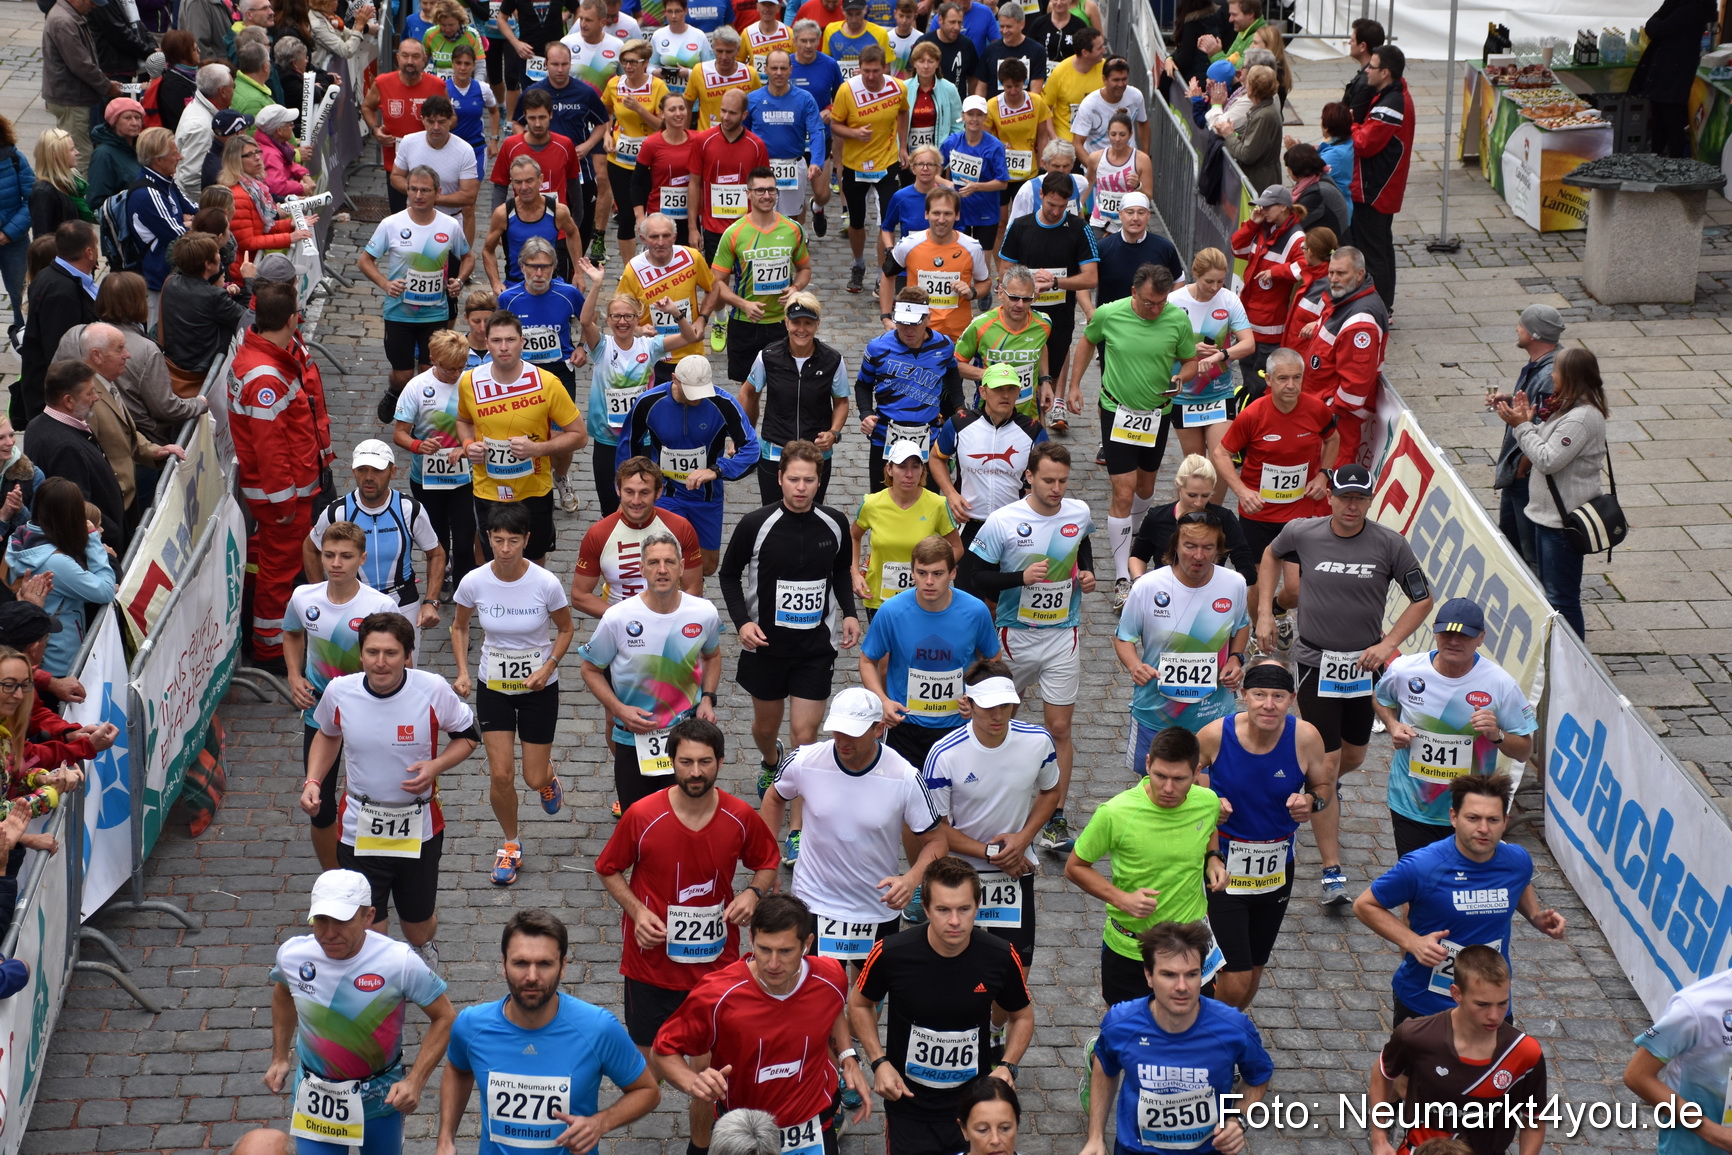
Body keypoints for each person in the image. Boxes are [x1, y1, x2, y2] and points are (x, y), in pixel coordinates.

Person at [595, 717, 781, 1151]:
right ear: (671, 762)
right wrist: (638, 911)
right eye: (685, 762)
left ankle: (699, 1148)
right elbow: (608, 869)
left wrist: (753, 894)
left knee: (708, 1073)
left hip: (716, 969)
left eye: (704, 762)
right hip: (650, 966)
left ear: (719, 762)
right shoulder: (643, 814)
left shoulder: (739, 817)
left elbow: (768, 862)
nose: (695, 772)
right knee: (647, 1075)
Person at [1256, 462, 1432, 905]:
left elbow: (1422, 597)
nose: (1351, 506)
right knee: (1329, 767)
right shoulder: (1304, 532)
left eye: (1360, 499)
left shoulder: (1390, 544)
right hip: (1316, 662)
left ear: (1370, 501)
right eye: (1344, 497)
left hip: (1363, 666)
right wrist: (1263, 611)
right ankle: (1332, 870)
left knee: (1352, 755)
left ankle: (1314, 789)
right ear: (1330, 497)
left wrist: (1389, 643)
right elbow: (1271, 553)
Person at [302, 613, 479, 967]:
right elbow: (327, 733)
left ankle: (424, 948)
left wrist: (435, 767)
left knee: (416, 928)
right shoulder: (341, 691)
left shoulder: (431, 689)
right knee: (371, 931)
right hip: (359, 827)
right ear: (361, 654)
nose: (380, 662)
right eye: (372, 652)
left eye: (391, 653)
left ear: (407, 655)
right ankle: (379, 987)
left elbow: (469, 736)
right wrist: (313, 780)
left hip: (419, 825)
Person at [652, 894, 872, 1155]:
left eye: (786, 951)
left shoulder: (831, 976)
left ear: (807, 943)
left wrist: (847, 1056)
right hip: (745, 1135)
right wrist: (693, 1083)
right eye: (764, 949)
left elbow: (834, 1009)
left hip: (812, 1127)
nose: (773, 963)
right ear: (751, 940)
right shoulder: (717, 994)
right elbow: (663, 1050)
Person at [437, 909, 662, 1154]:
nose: (532, 977)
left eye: (544, 964)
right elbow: (458, 1070)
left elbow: (647, 1091)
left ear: (563, 966)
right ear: (503, 964)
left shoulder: (598, 1028)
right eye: (520, 963)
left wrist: (601, 1122)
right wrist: (446, 1138)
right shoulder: (471, 1026)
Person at [849, 856, 1033, 1155]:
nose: (955, 921)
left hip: (975, 1108)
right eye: (943, 910)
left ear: (978, 904)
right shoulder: (892, 953)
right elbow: (859, 1004)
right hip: (909, 1105)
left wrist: (1007, 1066)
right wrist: (878, 1062)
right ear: (925, 909)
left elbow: (1022, 1015)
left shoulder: (999, 956)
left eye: (964, 909)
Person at [959, 441, 1093, 849]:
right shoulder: (1002, 521)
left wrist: (1085, 573)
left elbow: (1080, 544)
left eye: (1063, 482)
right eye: (1048, 480)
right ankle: (980, 799)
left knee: (1059, 728)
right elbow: (970, 578)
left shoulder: (1080, 512)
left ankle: (1055, 817)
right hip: (1012, 637)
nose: (1056, 489)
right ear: (1029, 477)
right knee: (991, 722)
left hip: (1061, 636)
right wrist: (1020, 579)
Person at [720, 441, 860, 827]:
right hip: (765, 647)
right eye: (794, 479)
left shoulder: (833, 523)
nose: (801, 487)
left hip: (815, 648)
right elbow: (728, 575)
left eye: (809, 480)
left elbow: (839, 574)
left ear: (819, 482)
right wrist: (742, 623)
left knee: (805, 735)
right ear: (780, 479)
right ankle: (769, 759)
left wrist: (849, 613)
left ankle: (797, 828)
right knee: (765, 728)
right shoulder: (755, 524)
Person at [266, 869, 455, 1154]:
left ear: (368, 917)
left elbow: (445, 1016)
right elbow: (283, 991)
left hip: (379, 1098)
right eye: (321, 920)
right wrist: (280, 1057)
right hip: (316, 1097)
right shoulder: (294, 955)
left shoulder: (398, 961)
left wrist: (415, 1080)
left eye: (341, 921)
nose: (329, 933)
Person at [1353, 772, 1567, 1025]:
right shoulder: (1423, 866)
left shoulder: (1517, 860)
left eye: (1493, 819)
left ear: (1505, 821)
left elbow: (1519, 881)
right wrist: (1413, 942)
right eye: (1473, 818)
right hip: (1426, 1004)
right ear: (1454, 817)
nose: (1483, 829)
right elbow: (1364, 905)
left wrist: (1534, 915)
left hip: (1492, 1006)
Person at [449, 500, 575, 886]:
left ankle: (549, 779)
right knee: (502, 774)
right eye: (498, 540)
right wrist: (463, 671)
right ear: (487, 538)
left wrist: (548, 666)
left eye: (513, 541)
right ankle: (510, 844)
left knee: (532, 776)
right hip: (494, 687)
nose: (504, 549)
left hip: (539, 688)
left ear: (526, 541)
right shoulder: (474, 581)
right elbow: (459, 626)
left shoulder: (545, 583)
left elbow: (567, 630)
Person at [761, 686, 947, 945]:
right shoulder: (805, 761)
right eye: (838, 730)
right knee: (818, 985)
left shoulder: (904, 776)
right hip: (814, 902)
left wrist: (911, 879)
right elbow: (774, 797)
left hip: (876, 908)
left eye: (854, 733)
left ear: (878, 729)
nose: (843, 740)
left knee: (867, 986)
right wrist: (767, 861)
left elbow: (937, 841)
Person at [1193, 660, 1325, 1011]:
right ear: (1242, 696)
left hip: (1277, 870)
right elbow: (1182, 776)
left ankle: (1224, 1035)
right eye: (1260, 695)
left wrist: (1311, 801)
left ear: (1292, 699)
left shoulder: (1305, 737)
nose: (1269, 704)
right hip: (1221, 866)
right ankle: (1201, 1037)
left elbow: (1324, 786)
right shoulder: (1215, 734)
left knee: (1252, 972)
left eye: (1278, 696)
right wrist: (1207, 799)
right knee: (1233, 977)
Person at [1066, 726, 1225, 1005]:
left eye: (1179, 779)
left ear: (1197, 772)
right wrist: (1123, 899)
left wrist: (1213, 857)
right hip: (1131, 949)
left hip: (1189, 948)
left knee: (1188, 1037)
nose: (1167, 788)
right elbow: (1075, 867)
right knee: (1127, 1039)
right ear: (1148, 763)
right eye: (1160, 775)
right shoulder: (1115, 813)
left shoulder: (1207, 802)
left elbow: (1209, 826)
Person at [1081, 921, 1269, 1155]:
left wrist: (1237, 1119)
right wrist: (1095, 1137)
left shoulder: (1233, 1028)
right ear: (1149, 976)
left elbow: (1258, 1076)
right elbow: (1105, 1066)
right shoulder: (1121, 1024)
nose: (1182, 987)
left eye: (1191, 974)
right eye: (1169, 975)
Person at [1065, 261, 1189, 609]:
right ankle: (1123, 577)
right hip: (1117, 411)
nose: (1155, 309)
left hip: (1156, 414)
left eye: (1160, 303)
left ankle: (1133, 541)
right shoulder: (1109, 314)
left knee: (1145, 489)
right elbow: (1087, 342)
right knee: (1123, 489)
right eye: (1149, 302)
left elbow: (1189, 360)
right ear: (1134, 292)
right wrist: (1074, 386)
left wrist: (1182, 379)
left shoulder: (1176, 319)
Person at [283, 522, 406, 871]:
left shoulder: (380, 606)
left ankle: (378, 867)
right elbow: (291, 634)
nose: (336, 563)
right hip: (319, 712)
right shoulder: (304, 597)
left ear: (362, 559)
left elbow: (400, 663)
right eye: (329, 555)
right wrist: (293, 675)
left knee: (377, 797)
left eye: (346, 556)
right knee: (319, 804)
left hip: (370, 714)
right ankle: (333, 878)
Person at [1376, 598, 1537, 859]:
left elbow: (1524, 751)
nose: (1453, 641)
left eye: (1464, 635)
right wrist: (1393, 724)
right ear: (1434, 631)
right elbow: (1382, 698)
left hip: (1471, 812)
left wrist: (1497, 735)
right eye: (1447, 633)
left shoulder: (1500, 684)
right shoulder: (1405, 670)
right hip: (1411, 804)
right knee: (1415, 886)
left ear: (1481, 638)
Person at [921, 657, 1056, 969]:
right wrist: (995, 852)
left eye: (1005, 706)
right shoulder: (944, 754)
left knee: (1016, 970)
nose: (998, 715)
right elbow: (935, 829)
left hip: (1015, 867)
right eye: (988, 707)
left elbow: (1051, 792)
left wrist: (1022, 840)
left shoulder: (1038, 742)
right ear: (968, 704)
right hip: (958, 874)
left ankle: (996, 1022)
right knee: (955, 967)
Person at [579, 529, 723, 815]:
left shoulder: (704, 612)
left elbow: (713, 654)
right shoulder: (618, 617)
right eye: (654, 562)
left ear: (682, 567)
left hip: (686, 737)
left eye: (670, 562)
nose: (662, 570)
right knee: (639, 822)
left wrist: (707, 698)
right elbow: (590, 669)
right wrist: (619, 709)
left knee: (687, 819)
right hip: (633, 737)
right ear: (642, 568)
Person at [1369, 945, 1550, 1155]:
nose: (1494, 1015)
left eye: (1502, 1003)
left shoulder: (1524, 1052)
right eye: (1482, 1004)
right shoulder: (1417, 1035)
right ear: (1457, 993)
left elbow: (1535, 1118)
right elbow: (1383, 1071)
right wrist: (1379, 1138)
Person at [228, 283, 323, 666]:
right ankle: (270, 648)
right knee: (279, 572)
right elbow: (270, 448)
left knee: (273, 564)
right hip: (283, 497)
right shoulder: (266, 378)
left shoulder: (261, 360)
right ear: (291, 318)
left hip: (282, 493)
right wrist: (284, 500)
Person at [1114, 508, 1249, 769]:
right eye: (1190, 546)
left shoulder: (1234, 584)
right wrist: (1134, 666)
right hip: (1156, 715)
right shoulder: (1148, 586)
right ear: (1175, 545)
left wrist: (1236, 657)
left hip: (1213, 716)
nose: (1198, 556)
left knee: (1211, 795)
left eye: (1208, 547)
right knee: (1151, 789)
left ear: (1219, 549)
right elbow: (1123, 638)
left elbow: (1241, 625)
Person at [456, 310, 589, 565]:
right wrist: (468, 444)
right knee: (491, 557)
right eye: (496, 341)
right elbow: (463, 421)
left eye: (510, 340)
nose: (503, 347)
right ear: (486, 343)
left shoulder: (547, 382)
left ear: (522, 342)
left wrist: (538, 450)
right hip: (488, 489)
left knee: (534, 559)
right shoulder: (469, 381)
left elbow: (580, 436)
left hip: (533, 490)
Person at [1495, 345, 1609, 641]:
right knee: (1549, 595)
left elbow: (1546, 460)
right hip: (1546, 517)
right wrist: (1526, 420)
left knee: (1562, 599)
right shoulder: (1565, 409)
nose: (1552, 375)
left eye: (1557, 370)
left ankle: (1575, 661)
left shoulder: (1581, 419)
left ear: (1569, 376)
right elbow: (1545, 443)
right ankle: (1555, 650)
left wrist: (1522, 427)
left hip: (1561, 525)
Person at [857, 528, 990, 776]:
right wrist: (883, 701)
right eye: (922, 573)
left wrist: (977, 699)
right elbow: (867, 661)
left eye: (938, 574)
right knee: (907, 803)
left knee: (955, 802)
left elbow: (991, 659)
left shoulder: (975, 611)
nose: (929, 581)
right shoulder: (891, 611)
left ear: (953, 573)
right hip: (907, 725)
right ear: (912, 573)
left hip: (958, 726)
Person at [616, 354, 761, 572]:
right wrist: (624, 492)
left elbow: (752, 449)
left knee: (707, 566)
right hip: (665, 494)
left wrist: (716, 470)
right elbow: (627, 447)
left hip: (706, 496)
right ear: (675, 379)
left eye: (702, 392)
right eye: (692, 393)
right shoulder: (648, 402)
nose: (697, 399)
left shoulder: (723, 404)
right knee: (666, 557)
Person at [1209, 347, 1336, 582]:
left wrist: (1323, 475)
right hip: (1258, 514)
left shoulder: (1317, 410)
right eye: (1283, 378)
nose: (1291, 385)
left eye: (1297, 377)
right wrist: (1242, 491)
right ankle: (1261, 618)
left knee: (1294, 590)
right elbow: (1221, 454)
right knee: (1256, 583)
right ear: (1268, 379)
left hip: (1299, 513)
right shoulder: (1253, 415)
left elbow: (1332, 438)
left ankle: (1278, 608)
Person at [305, 441, 447, 646]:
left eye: (377, 470)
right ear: (353, 471)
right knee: (352, 672)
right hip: (351, 601)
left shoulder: (410, 509)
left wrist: (430, 602)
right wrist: (320, 593)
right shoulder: (338, 511)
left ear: (393, 471)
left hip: (402, 603)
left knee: (402, 673)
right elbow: (310, 547)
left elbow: (436, 553)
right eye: (362, 470)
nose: (369, 477)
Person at [362, 166, 475, 424]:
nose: (418, 195)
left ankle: (421, 424)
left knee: (429, 371)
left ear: (438, 192)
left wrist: (459, 280)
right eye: (413, 189)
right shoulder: (391, 224)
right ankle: (395, 392)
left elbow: (468, 256)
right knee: (402, 374)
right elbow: (365, 261)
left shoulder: (448, 225)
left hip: (435, 312)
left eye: (425, 190)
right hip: (399, 312)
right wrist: (385, 283)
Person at [578, 277, 699, 515]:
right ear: (608, 320)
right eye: (616, 316)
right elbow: (584, 320)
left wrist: (675, 312)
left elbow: (689, 337)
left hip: (642, 439)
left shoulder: (649, 346)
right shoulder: (602, 346)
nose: (622, 321)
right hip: (607, 439)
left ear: (637, 319)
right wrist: (596, 285)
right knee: (610, 506)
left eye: (628, 316)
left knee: (644, 502)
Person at [58, 321, 185, 528]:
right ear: (97, 356)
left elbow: (124, 431)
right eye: (120, 349)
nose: (128, 354)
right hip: (107, 513)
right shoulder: (87, 400)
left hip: (123, 503)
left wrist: (154, 451)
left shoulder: (107, 381)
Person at [498, 237, 589, 511]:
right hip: (522, 374)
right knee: (523, 430)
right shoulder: (508, 298)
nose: (539, 274)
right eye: (533, 267)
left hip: (560, 371)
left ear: (554, 267)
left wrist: (582, 346)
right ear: (521, 267)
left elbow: (589, 319)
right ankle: (525, 480)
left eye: (545, 267)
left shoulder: (568, 294)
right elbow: (499, 334)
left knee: (563, 436)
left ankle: (560, 477)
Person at [1000, 170, 1095, 427]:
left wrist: (1055, 282)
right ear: (1040, 194)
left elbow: (1091, 278)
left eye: (1062, 206)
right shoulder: (1021, 226)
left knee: (1046, 383)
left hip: (1059, 319)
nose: (1056, 211)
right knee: (1016, 378)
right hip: (1021, 315)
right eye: (1051, 204)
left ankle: (1037, 433)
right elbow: (1003, 270)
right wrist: (1028, 284)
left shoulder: (1079, 228)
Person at [706, 164, 814, 388]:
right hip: (745, 323)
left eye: (771, 190)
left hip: (782, 323)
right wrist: (742, 303)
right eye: (760, 191)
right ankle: (747, 426)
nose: (767, 196)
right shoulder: (734, 233)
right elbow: (716, 282)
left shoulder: (793, 229)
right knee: (748, 391)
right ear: (748, 193)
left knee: (784, 389)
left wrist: (795, 288)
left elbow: (804, 269)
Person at [738, 293, 851, 505]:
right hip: (774, 452)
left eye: (808, 323)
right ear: (786, 322)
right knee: (772, 513)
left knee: (811, 516)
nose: (801, 329)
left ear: (817, 324)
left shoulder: (833, 360)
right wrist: (744, 434)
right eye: (796, 322)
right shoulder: (768, 356)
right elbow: (747, 392)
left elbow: (841, 401)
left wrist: (834, 433)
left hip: (816, 454)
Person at [391, 329, 480, 592]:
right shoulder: (417, 387)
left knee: (465, 542)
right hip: (427, 479)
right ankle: (437, 587)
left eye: (460, 368)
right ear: (433, 359)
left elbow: (485, 426)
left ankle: (463, 592)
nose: (455, 375)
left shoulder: (471, 382)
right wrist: (419, 445)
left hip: (466, 477)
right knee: (438, 541)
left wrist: (467, 446)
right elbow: (399, 434)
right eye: (448, 369)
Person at [3, 478, 117, 678]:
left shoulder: (20, 537)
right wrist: (93, 540)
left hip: (39, 657)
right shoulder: (56, 564)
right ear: (70, 516)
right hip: (61, 664)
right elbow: (106, 590)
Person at [569, 455, 706, 621]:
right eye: (629, 492)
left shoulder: (681, 528)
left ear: (659, 492)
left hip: (670, 622)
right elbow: (579, 595)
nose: (636, 501)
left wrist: (669, 619)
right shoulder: (598, 534)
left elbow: (693, 588)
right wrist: (625, 619)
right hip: (621, 626)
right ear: (618, 489)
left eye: (644, 493)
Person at [857, 288, 966, 492]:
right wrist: (866, 414)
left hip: (929, 436)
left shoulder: (944, 345)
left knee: (928, 501)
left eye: (914, 323)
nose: (908, 330)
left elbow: (953, 374)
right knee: (883, 502)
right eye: (902, 322)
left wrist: (959, 406)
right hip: (885, 436)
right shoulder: (877, 347)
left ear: (928, 318)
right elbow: (863, 384)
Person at [931, 361, 1046, 543]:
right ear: (983, 392)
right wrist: (950, 494)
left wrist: (1030, 498)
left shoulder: (1033, 430)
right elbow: (937, 457)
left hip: (1012, 525)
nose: (1005, 395)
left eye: (1011, 389)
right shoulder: (959, 424)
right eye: (998, 389)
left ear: (1019, 392)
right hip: (967, 522)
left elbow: (1046, 475)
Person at [831, 45, 910, 294]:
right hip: (855, 166)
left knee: (886, 221)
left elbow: (903, 112)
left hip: (886, 162)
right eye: (866, 71)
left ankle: (880, 274)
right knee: (856, 221)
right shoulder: (848, 90)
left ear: (885, 68)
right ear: (859, 69)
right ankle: (858, 264)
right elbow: (835, 125)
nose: (871, 76)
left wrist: (903, 146)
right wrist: (854, 133)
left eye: (876, 71)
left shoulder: (898, 87)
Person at [22, 362, 124, 551]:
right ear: (68, 401)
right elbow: (79, 510)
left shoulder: (37, 425)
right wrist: (113, 534)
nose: (96, 398)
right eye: (90, 393)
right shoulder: (66, 448)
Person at [1298, 245, 1385, 467]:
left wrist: (1330, 414)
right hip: (1322, 410)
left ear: (1359, 274)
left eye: (1341, 273)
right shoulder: (1345, 299)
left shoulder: (1360, 322)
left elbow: (1355, 385)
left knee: (1328, 482)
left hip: (1337, 422)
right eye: (1331, 272)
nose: (1334, 279)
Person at [1488, 304, 1561, 565]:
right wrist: (1510, 400)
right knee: (1511, 542)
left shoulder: (1550, 375)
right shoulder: (1539, 365)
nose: (1517, 328)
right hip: (1517, 473)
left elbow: (1547, 427)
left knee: (1527, 552)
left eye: (1522, 325)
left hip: (1526, 475)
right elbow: (1536, 408)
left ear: (1534, 334)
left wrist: (1521, 467)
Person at [881, 187, 992, 343]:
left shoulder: (972, 247)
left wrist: (972, 293)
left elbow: (985, 282)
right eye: (936, 213)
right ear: (926, 214)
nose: (941, 219)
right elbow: (887, 275)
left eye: (947, 213)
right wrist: (886, 317)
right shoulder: (908, 245)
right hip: (917, 334)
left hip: (956, 335)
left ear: (957, 215)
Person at [16, 221, 100, 428]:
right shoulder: (62, 292)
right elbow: (61, 352)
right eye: (96, 246)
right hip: (61, 402)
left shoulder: (59, 277)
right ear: (89, 252)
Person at [617, 211, 716, 379]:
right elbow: (619, 312)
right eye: (654, 237)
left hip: (690, 352)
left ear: (674, 237)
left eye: (666, 236)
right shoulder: (633, 269)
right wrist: (639, 329)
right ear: (643, 239)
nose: (660, 242)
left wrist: (703, 318)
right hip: (652, 357)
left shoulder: (691, 257)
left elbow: (714, 288)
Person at [1128, 455, 1256, 584]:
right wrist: (1140, 582)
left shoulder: (1224, 519)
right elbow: (1138, 556)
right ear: (1178, 486)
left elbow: (1247, 569)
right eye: (1192, 495)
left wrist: (1222, 586)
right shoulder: (1157, 517)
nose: (1199, 503)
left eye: (1206, 495)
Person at [1228, 185, 1306, 396]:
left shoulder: (1296, 238)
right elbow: (1237, 248)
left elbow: (1304, 267)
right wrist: (1252, 223)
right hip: (1250, 321)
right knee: (1248, 374)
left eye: (1267, 207)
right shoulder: (1263, 227)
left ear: (1282, 207)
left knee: (1261, 382)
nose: (1262, 210)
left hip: (1269, 327)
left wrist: (1276, 272)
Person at [1351, 43, 1412, 312]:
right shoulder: (1391, 94)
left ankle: (1380, 307)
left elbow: (1364, 142)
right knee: (1382, 249)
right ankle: (1384, 304)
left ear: (1385, 72)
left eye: (1372, 67)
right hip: (1381, 186)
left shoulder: (1392, 104)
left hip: (1376, 188)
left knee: (1375, 253)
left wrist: (1350, 122)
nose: (1367, 71)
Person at [599, 39, 668, 264]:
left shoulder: (658, 87)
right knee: (627, 216)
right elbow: (606, 112)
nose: (628, 67)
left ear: (645, 62)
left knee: (653, 215)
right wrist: (607, 134)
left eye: (633, 62)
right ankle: (630, 269)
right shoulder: (614, 84)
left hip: (650, 162)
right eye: (624, 62)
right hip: (619, 160)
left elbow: (662, 126)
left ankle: (657, 261)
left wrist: (639, 108)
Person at [364, 40, 451, 214]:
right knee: (399, 216)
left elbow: (451, 117)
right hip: (396, 165)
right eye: (405, 56)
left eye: (415, 56)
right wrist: (375, 129)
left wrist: (437, 130)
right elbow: (367, 107)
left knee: (430, 214)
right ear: (398, 58)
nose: (410, 61)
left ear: (424, 60)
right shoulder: (382, 83)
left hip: (429, 162)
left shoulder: (437, 86)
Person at [746, 50, 828, 228]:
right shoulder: (752, 99)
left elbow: (816, 130)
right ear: (765, 69)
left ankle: (792, 246)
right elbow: (742, 133)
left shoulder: (805, 99)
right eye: (774, 68)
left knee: (791, 216)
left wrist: (816, 161)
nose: (778, 73)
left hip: (793, 164)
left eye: (783, 68)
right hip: (762, 166)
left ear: (791, 70)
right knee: (760, 212)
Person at [482, 156, 587, 290]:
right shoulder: (503, 214)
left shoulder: (558, 211)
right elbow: (487, 250)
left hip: (550, 284)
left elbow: (573, 233)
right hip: (516, 285)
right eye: (518, 182)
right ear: (512, 183)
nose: (524, 187)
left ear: (540, 180)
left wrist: (578, 273)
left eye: (529, 181)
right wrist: (495, 282)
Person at [41, 0, 119, 176]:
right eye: (92, 2)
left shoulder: (68, 15)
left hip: (69, 96)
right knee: (79, 155)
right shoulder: (65, 21)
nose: (94, 7)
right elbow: (81, 65)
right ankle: (79, 200)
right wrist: (107, 87)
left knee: (72, 150)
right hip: (71, 98)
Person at [938, 95, 1009, 252]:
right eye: (970, 114)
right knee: (956, 258)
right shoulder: (952, 141)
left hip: (985, 212)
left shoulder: (995, 146)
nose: (974, 119)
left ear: (985, 117)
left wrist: (977, 187)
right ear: (963, 116)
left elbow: (1002, 183)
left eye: (979, 114)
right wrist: (948, 184)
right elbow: (935, 171)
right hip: (957, 210)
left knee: (982, 265)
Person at [632, 95, 702, 247]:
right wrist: (640, 217)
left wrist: (694, 227)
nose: (678, 113)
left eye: (682, 108)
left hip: (689, 218)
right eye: (672, 109)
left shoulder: (698, 140)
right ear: (662, 113)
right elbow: (636, 182)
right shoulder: (651, 144)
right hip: (659, 218)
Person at [173, 64, 234, 201]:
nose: (234, 91)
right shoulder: (201, 127)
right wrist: (215, 206)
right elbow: (192, 180)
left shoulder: (201, 107)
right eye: (233, 87)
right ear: (223, 91)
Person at [1082, 112, 1149, 236]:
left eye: (1122, 134)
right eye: (1113, 134)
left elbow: (1148, 196)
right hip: (1099, 222)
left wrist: (1138, 186)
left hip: (1128, 224)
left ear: (1130, 135)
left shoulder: (1141, 159)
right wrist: (1078, 208)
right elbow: (1089, 183)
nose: (1117, 139)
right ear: (1108, 134)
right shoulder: (1095, 157)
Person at [1071, 56, 1147, 161]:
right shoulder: (1089, 104)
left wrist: (1145, 157)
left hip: (1129, 165)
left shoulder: (1136, 96)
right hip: (1098, 166)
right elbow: (1077, 143)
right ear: (1104, 79)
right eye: (1116, 80)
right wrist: (1094, 169)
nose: (1120, 84)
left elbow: (1143, 123)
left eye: (1124, 79)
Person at [686, 26, 760, 132]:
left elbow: (756, 109)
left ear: (738, 50)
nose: (724, 57)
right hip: (707, 139)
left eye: (729, 52)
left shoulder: (750, 73)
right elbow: (688, 106)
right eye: (719, 51)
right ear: (713, 48)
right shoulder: (699, 71)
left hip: (739, 139)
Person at [902, 44, 962, 172]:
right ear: (914, 63)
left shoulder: (949, 89)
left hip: (938, 158)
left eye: (930, 61)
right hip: (908, 157)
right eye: (921, 61)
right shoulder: (903, 88)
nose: (926, 66)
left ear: (937, 64)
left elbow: (957, 125)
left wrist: (947, 154)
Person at [1038, 23, 1100, 145]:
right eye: (1100, 48)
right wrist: (1055, 139)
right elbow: (1045, 108)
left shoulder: (1106, 69)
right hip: (1067, 143)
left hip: (1097, 142)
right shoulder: (1060, 72)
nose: (1104, 50)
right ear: (1086, 52)